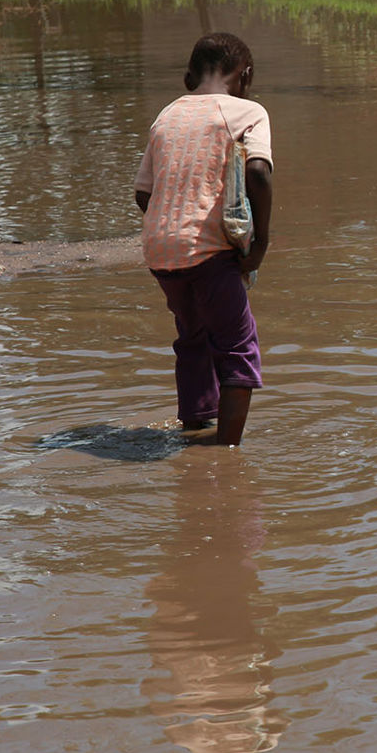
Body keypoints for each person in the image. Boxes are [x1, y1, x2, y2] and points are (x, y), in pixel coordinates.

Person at [134, 33, 274, 446]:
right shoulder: (248, 111)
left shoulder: (167, 116)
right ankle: (225, 450)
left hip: (161, 251)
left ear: (187, 77)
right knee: (238, 346)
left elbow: (144, 193)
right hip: (210, 251)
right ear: (245, 76)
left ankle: (195, 425)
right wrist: (260, 242)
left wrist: (172, 225)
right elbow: (260, 172)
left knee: (193, 336)